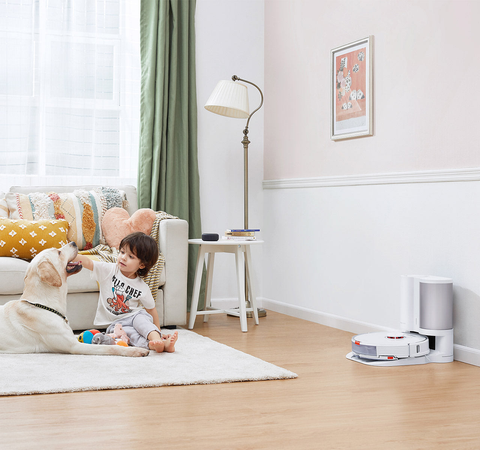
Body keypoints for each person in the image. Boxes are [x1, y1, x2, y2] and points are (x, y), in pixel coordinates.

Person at [74, 231, 178, 353]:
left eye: (131, 256)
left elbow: (151, 310)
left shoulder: (142, 287)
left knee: (142, 322)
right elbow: (88, 262)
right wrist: (68, 255)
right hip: (116, 324)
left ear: (142, 265)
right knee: (132, 336)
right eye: (122, 252)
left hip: (134, 316)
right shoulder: (109, 270)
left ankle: (157, 339)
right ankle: (154, 345)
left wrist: (158, 332)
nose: (123, 257)